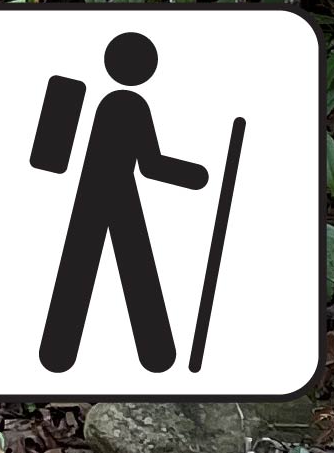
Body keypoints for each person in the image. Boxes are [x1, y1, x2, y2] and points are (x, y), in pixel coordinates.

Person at [39, 31, 209, 374]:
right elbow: (152, 164)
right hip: (113, 192)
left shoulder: (73, 87)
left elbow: (49, 156)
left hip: (96, 191)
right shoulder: (125, 103)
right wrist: (198, 176)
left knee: (83, 268)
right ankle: (156, 355)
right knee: (133, 268)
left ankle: (58, 355)